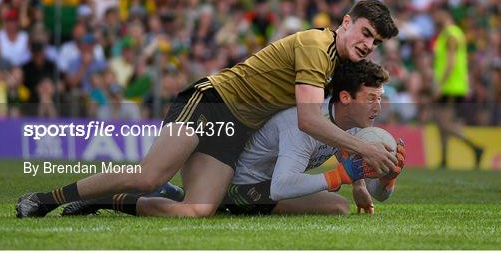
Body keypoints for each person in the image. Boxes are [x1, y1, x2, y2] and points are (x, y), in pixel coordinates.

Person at [16, 0, 399, 218]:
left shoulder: (339, 66)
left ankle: (106, 199)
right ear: (346, 22)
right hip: (212, 103)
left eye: (376, 41)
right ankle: (44, 200)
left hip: (238, 129)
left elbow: (339, 126)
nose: (368, 44)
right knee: (150, 174)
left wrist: (360, 180)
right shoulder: (318, 46)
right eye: (366, 32)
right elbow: (309, 119)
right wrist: (365, 151)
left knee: (196, 211)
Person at [61, 60, 406, 217]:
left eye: (381, 97)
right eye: (372, 97)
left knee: (340, 207)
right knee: (192, 213)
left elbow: (376, 196)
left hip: (265, 183)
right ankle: (111, 201)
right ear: (345, 98)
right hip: (242, 184)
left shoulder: (358, 128)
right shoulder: (304, 123)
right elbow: (282, 187)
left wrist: (385, 177)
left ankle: (169, 192)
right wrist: (340, 177)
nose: (379, 105)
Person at [432, 8, 483, 168]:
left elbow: (451, 62)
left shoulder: (451, 34)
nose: (435, 16)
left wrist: (440, 85)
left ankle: (475, 147)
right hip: (452, 85)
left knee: (444, 123)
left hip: (451, 86)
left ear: (445, 14)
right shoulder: (450, 33)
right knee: (442, 122)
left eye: (437, 12)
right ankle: (444, 159)